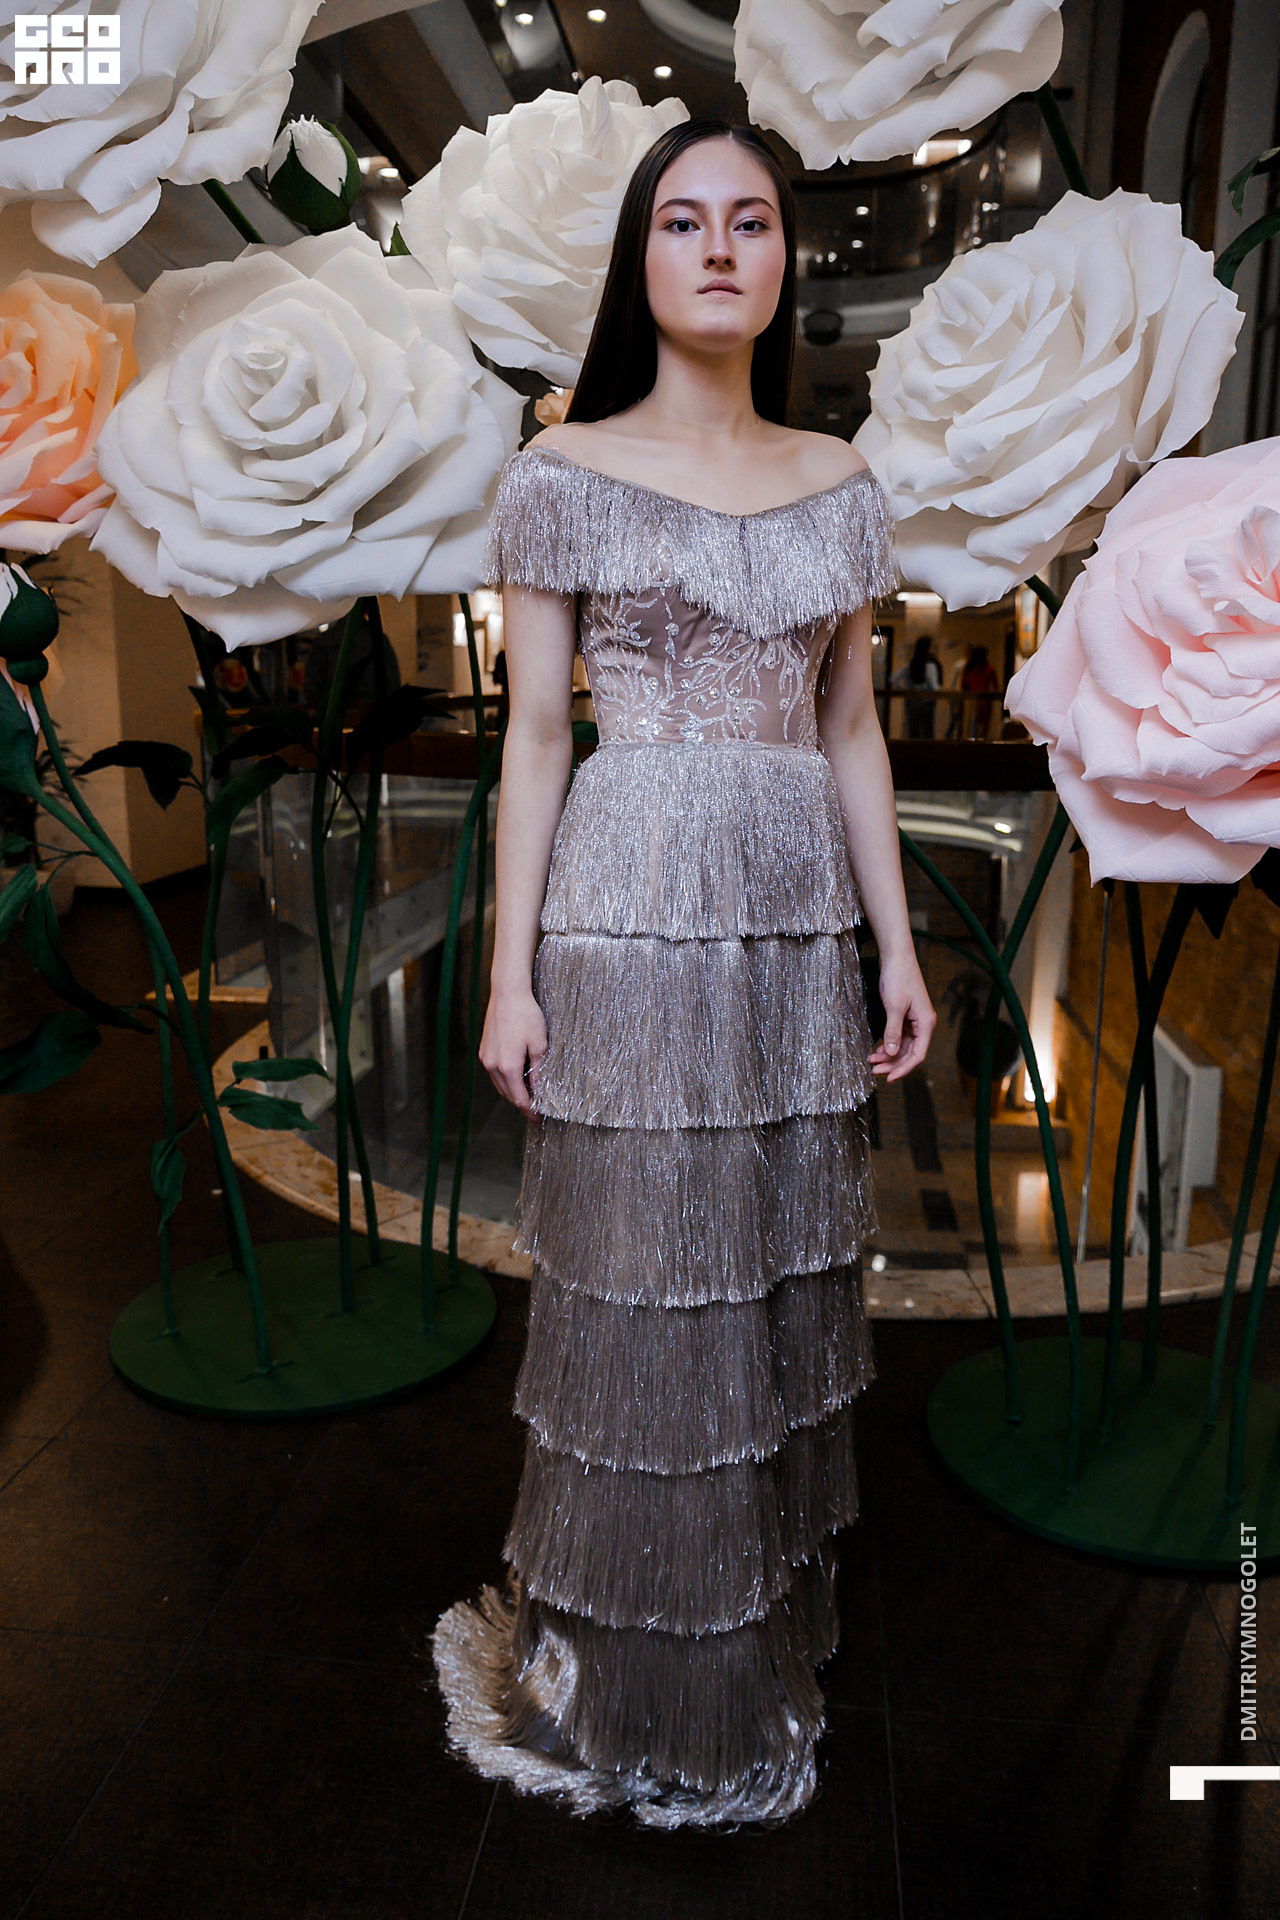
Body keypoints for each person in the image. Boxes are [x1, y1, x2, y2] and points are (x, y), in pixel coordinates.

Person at [431, 117, 935, 1830]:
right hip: (630, 904)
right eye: (682, 220)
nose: (720, 247)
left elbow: (851, 728)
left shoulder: (842, 481)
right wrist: (508, 976)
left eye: (753, 221)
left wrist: (895, 942)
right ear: (639, 256)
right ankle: (626, 1678)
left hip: (791, 917)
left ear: (787, 256)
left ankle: (739, 1658)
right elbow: (534, 738)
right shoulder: (563, 469)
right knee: (648, 1284)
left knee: (768, 1274)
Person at [890, 634, 942, 738]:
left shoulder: (911, 664)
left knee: (913, 730)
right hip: (926, 702)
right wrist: (940, 690)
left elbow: (893, 679)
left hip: (912, 702)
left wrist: (906, 689)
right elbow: (934, 686)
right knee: (927, 731)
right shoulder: (930, 666)